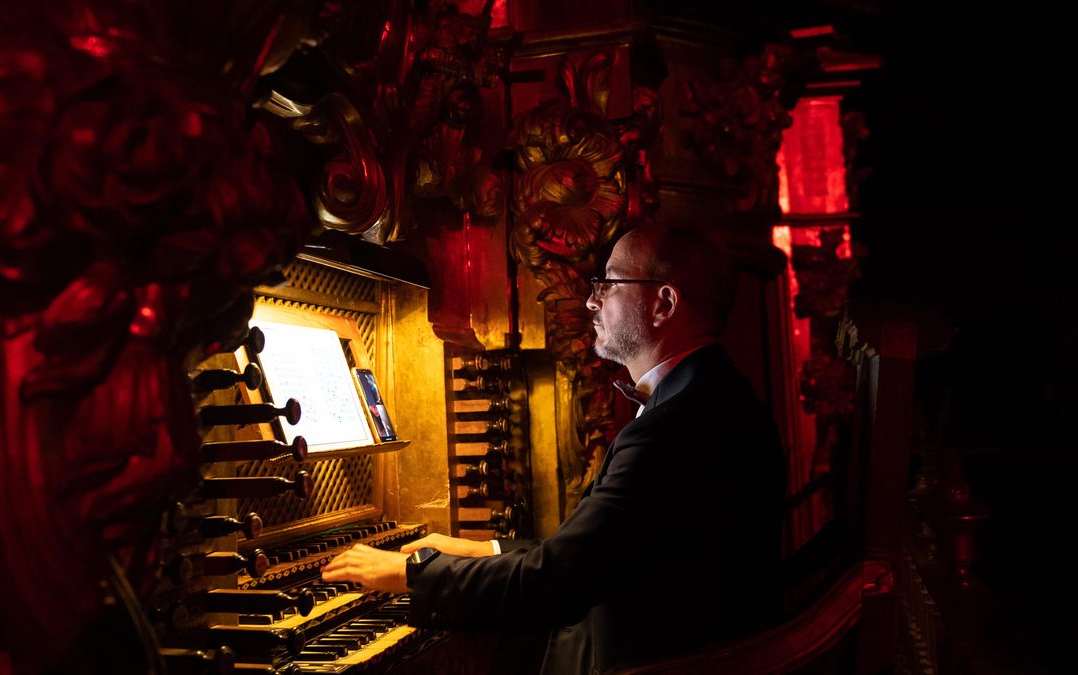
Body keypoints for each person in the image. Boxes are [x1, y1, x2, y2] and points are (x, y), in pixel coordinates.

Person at [322, 223, 786, 674]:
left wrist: (411, 573)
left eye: (608, 284)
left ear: (663, 302)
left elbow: (557, 581)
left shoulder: (682, 425)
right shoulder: (708, 396)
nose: (591, 299)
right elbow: (594, 552)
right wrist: (482, 550)